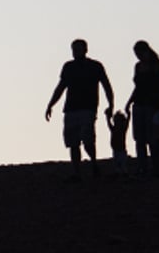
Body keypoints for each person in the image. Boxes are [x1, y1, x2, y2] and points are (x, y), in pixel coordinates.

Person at [46, 39, 114, 181]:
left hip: (88, 108)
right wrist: (51, 104)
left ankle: (94, 162)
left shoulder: (95, 66)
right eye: (74, 49)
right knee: (73, 142)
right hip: (71, 108)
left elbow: (106, 85)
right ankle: (77, 171)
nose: (75, 52)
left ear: (85, 50)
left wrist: (111, 104)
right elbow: (61, 87)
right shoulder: (68, 67)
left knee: (88, 140)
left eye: (78, 49)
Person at [124, 40, 159, 177]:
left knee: (152, 138)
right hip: (139, 104)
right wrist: (129, 102)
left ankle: (157, 166)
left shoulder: (157, 66)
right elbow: (137, 87)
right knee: (139, 138)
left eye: (139, 53)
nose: (138, 56)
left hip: (152, 105)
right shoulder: (138, 67)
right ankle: (142, 167)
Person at [108, 110, 130, 176]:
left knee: (122, 164)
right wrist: (107, 117)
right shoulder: (114, 129)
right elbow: (109, 124)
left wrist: (129, 114)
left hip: (122, 150)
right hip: (115, 150)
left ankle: (124, 172)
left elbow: (128, 121)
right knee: (117, 163)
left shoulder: (123, 128)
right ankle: (119, 172)